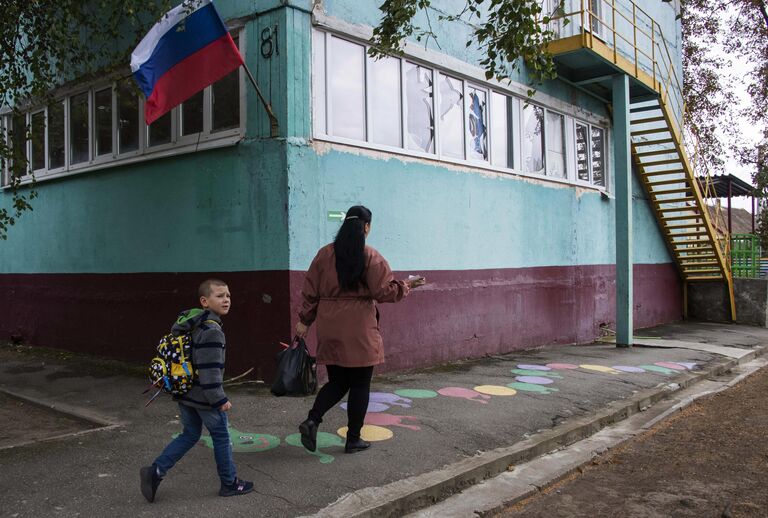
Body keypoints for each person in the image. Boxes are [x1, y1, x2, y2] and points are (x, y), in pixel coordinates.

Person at [295, 205, 426, 454]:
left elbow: (310, 292)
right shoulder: (370, 256)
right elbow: (384, 291)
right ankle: (353, 438)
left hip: (330, 325)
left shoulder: (324, 255)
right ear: (366, 227)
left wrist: (305, 320)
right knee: (360, 384)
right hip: (359, 328)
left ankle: (312, 420)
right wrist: (407, 285)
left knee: (337, 382)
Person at [140, 279, 253, 502]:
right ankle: (230, 483)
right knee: (221, 436)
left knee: (190, 434)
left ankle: (156, 471)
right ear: (205, 301)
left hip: (186, 393)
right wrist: (219, 399)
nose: (226, 300)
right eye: (220, 296)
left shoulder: (191, 325)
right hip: (205, 397)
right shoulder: (212, 331)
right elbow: (209, 370)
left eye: (228, 295)